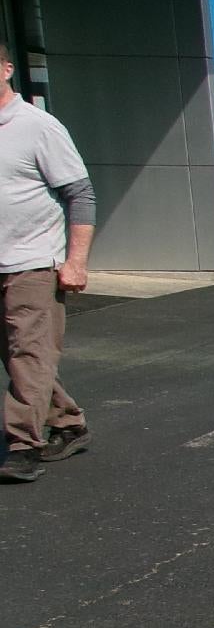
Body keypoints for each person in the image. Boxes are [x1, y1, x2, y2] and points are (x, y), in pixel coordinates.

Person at [0, 38, 93, 484]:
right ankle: (67, 421)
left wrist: (75, 262)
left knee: (30, 353)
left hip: (33, 263)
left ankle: (22, 444)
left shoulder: (38, 126)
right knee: (17, 357)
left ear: (6, 69)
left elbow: (80, 195)